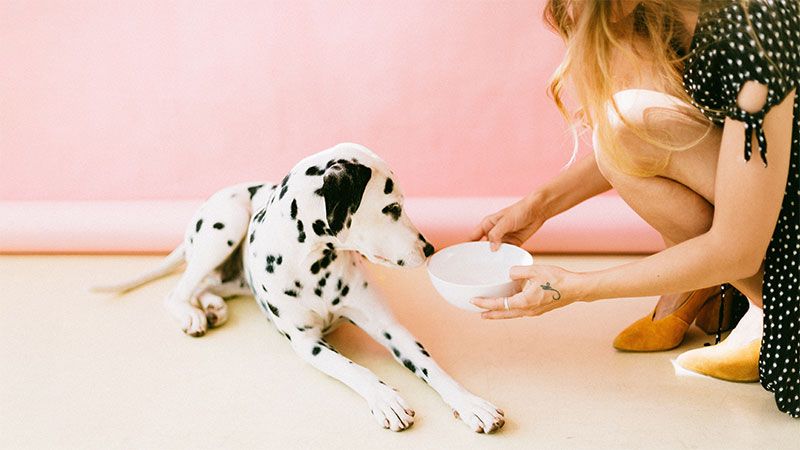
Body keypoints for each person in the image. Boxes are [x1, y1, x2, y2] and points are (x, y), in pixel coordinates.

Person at [470, 0, 798, 418]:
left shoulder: (758, 25)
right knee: (625, 128)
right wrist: (538, 206)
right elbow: (644, 145)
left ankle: (764, 308)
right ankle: (721, 292)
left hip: (766, 237)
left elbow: (738, 250)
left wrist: (575, 287)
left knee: (628, 121)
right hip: (770, 203)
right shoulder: (680, 19)